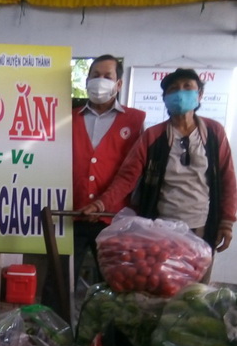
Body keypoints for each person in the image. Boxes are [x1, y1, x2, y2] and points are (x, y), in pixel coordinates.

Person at [82, 68, 237, 267]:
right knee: (163, 280)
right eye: (173, 89)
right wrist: (100, 204)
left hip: (203, 227)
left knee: (196, 283)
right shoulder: (153, 136)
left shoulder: (214, 132)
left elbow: (227, 178)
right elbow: (127, 177)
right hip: (161, 229)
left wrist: (227, 222)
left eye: (187, 87)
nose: (180, 93)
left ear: (199, 95)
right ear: (165, 99)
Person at [71, 55, 145, 286]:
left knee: (115, 284)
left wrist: (102, 203)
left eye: (107, 76)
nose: (100, 80)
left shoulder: (135, 121)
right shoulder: (67, 117)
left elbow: (132, 173)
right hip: (70, 215)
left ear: (118, 84)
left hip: (114, 218)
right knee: (60, 282)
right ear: (87, 81)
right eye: (95, 75)